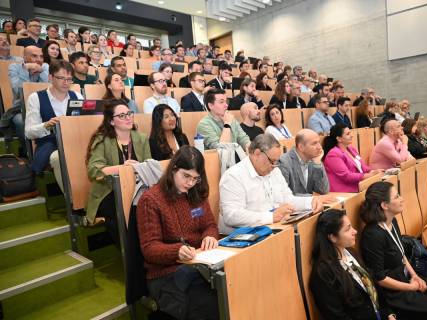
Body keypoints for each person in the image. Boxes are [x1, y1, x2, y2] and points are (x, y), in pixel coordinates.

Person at [137, 146, 219, 320]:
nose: (190, 183)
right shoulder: (151, 200)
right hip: (166, 274)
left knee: (228, 291)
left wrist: (210, 236)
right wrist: (177, 251)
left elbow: (210, 225)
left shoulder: (197, 192)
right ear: (173, 169)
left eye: (195, 178)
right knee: (210, 305)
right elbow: (149, 248)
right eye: (186, 176)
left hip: (199, 266)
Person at [360, 181, 427, 319]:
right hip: (392, 292)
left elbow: (402, 254)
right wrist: (411, 287)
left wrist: (415, 276)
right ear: (384, 205)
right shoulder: (372, 235)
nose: (402, 199)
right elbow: (380, 279)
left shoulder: (392, 221)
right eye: (396, 197)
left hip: (406, 277)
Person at [219, 133, 324, 234]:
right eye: (271, 161)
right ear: (257, 154)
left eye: (276, 162)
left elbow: (288, 200)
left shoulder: (274, 171)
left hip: (274, 229)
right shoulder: (233, 176)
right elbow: (231, 215)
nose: (274, 166)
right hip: (247, 237)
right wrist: (271, 216)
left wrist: (310, 202)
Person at [310, 209, 396, 320]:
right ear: (332, 237)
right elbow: (336, 316)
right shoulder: (323, 273)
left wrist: (388, 314)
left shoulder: (350, 252)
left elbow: (373, 286)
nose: (355, 231)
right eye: (347, 229)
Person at [85, 100, 151, 233]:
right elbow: (93, 170)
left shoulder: (141, 138)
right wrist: (122, 168)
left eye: (129, 113)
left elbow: (149, 167)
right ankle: (130, 252)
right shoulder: (102, 139)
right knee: (123, 209)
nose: (128, 118)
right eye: (121, 116)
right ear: (111, 121)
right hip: (108, 192)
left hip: (136, 190)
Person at [25, 60, 83, 184]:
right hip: (49, 145)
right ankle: (72, 199)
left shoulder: (77, 96)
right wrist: (46, 125)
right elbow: (28, 132)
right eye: (61, 78)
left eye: (69, 79)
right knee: (59, 157)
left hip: (75, 142)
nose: (66, 83)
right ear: (50, 77)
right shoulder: (36, 98)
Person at [8, 46, 49, 153]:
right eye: (34, 56)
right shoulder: (14, 67)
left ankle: (46, 149)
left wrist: (41, 72)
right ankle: (29, 151)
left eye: (41, 56)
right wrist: (25, 70)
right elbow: (18, 90)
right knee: (20, 121)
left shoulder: (45, 66)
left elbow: (48, 88)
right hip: (21, 108)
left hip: (43, 107)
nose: (39, 59)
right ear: (24, 57)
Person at [323, 124, 381, 192]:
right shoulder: (333, 154)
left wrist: (374, 172)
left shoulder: (351, 148)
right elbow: (346, 176)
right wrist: (368, 175)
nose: (351, 136)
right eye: (348, 134)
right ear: (339, 138)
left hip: (360, 184)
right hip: (345, 190)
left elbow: (364, 167)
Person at [279, 129, 330, 195]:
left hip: (308, 204)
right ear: (301, 147)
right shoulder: (284, 162)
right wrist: (312, 199)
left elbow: (323, 190)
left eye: (318, 142)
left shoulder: (314, 158)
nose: (319, 147)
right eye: (314, 143)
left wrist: (318, 164)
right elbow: (284, 195)